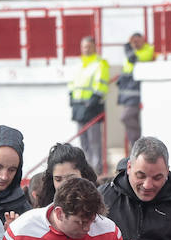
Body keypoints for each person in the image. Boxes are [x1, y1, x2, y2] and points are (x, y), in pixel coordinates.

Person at [68, 35, 110, 170]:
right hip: (78, 107)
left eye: (88, 46)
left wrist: (93, 101)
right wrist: (71, 98)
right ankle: (86, 168)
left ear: (94, 46)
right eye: (83, 47)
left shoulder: (100, 63)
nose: (85, 49)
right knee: (83, 141)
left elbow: (101, 85)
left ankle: (96, 169)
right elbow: (72, 84)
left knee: (94, 141)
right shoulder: (78, 64)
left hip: (92, 107)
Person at [117, 32, 155, 154]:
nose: (135, 43)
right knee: (130, 122)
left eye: (138, 41)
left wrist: (128, 47)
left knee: (126, 117)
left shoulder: (149, 50)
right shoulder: (131, 52)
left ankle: (138, 145)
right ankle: (136, 148)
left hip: (136, 95)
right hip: (127, 95)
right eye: (133, 41)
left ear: (143, 40)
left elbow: (134, 59)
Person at [30, 143, 96, 210]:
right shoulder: (42, 216)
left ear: (84, 175)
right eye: (58, 179)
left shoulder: (100, 210)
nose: (64, 184)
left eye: (71, 178)